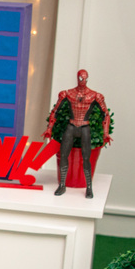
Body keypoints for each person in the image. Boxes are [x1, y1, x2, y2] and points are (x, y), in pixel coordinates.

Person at [44, 69, 111, 198]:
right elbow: (55, 111)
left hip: (85, 127)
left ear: (88, 78)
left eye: (85, 78)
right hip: (71, 125)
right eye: (81, 78)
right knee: (63, 155)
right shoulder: (68, 94)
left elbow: (105, 114)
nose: (83, 81)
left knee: (86, 158)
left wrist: (105, 133)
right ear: (77, 78)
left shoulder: (94, 95)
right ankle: (62, 184)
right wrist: (49, 128)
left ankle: (89, 187)